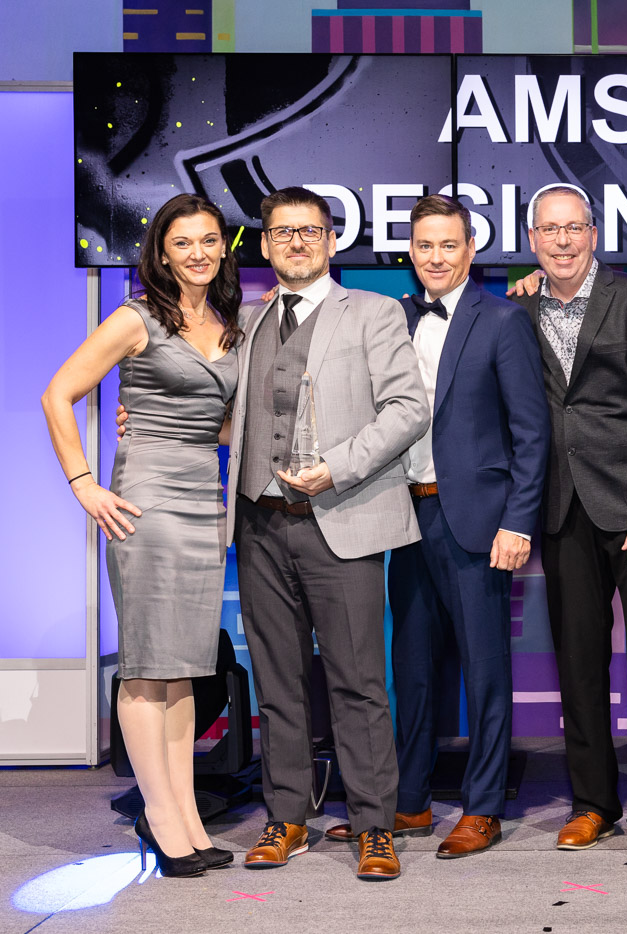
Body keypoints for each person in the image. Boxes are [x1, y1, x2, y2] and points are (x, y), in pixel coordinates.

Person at [321, 194, 549, 857]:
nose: (437, 257)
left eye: (449, 245)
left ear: (470, 249)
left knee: (484, 668)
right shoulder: (390, 317)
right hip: (400, 512)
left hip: (476, 519)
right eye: (425, 245)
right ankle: (410, 800)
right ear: (410, 252)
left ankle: (483, 806)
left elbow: (531, 433)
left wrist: (518, 523)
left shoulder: (503, 321)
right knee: (412, 667)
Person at [228, 187, 428, 880]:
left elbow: (408, 408)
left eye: (310, 231)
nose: (297, 242)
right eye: (283, 231)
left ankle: (374, 826)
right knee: (277, 683)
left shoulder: (373, 312)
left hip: (342, 523)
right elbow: (231, 412)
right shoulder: (247, 321)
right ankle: (286, 817)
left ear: (332, 241)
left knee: (359, 683)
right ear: (264, 244)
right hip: (259, 524)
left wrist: (337, 467)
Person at [42, 193, 243, 879]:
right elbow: (58, 392)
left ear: (223, 247)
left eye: (208, 240)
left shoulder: (225, 322)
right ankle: (158, 817)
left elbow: (217, 422)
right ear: (161, 251)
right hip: (146, 498)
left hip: (202, 497)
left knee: (184, 668)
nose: (198, 253)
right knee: (146, 666)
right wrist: (84, 483)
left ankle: (186, 816)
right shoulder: (137, 317)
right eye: (182, 242)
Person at [512, 185, 627, 871]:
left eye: (574, 227)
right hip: (562, 510)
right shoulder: (519, 308)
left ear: (593, 233)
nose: (562, 240)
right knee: (578, 662)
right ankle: (592, 804)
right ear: (533, 239)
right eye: (549, 229)